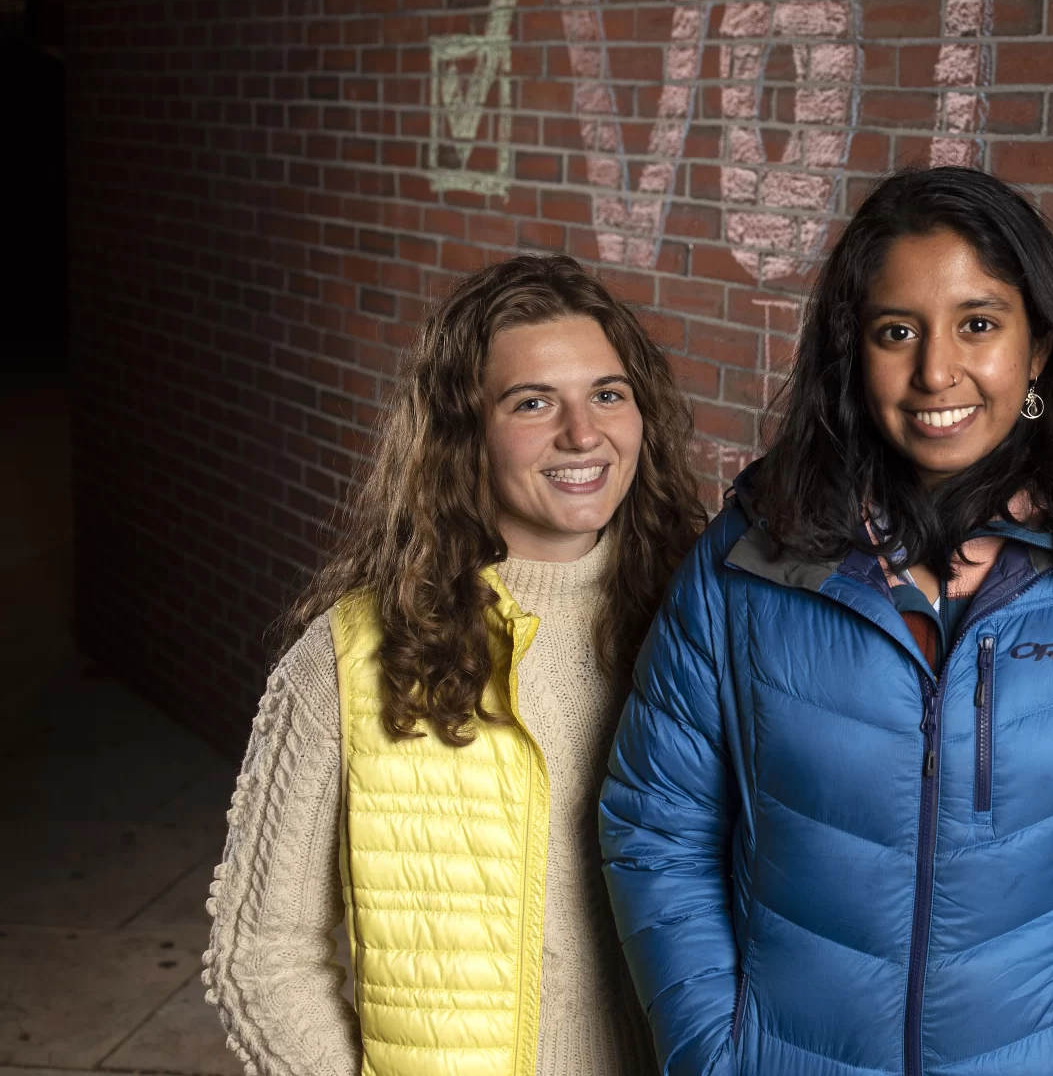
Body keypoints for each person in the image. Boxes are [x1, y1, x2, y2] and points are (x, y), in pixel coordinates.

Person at [600, 167, 1053, 1076]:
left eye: (978, 323)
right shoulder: (752, 558)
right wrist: (710, 1049)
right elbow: (656, 819)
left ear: (1037, 350)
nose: (935, 371)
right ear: (853, 352)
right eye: (896, 331)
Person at [205, 254, 705, 1076]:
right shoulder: (350, 657)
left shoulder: (703, 626)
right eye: (533, 402)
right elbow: (260, 952)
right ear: (462, 430)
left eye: (607, 393)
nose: (582, 433)